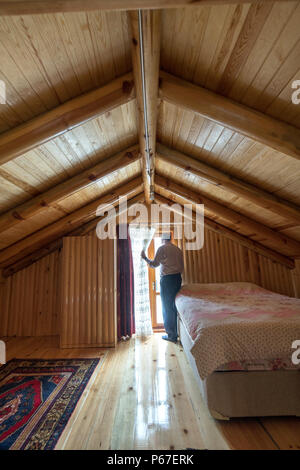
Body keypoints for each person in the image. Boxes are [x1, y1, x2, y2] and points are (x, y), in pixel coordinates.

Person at [141, 233, 184, 343]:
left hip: (167, 279)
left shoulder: (162, 248)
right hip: (178, 278)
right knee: (174, 305)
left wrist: (145, 258)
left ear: (163, 239)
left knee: (167, 307)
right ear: (170, 238)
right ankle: (175, 333)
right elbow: (182, 267)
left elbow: (154, 264)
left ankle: (171, 336)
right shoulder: (178, 250)